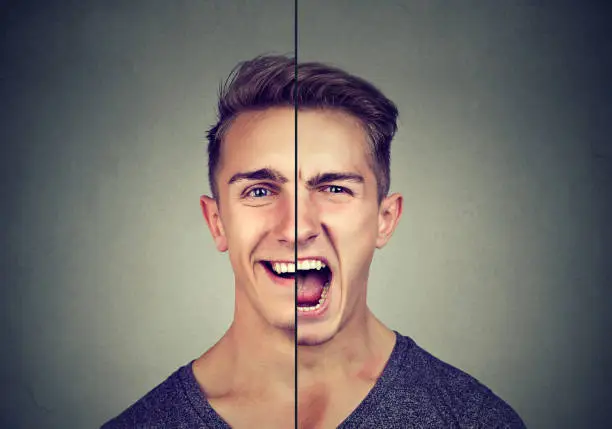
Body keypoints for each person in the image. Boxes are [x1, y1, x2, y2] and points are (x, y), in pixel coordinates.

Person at [102, 55, 526, 428]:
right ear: (217, 222)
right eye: (261, 191)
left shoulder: (473, 420)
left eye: (334, 189)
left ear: (385, 219)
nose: (297, 227)